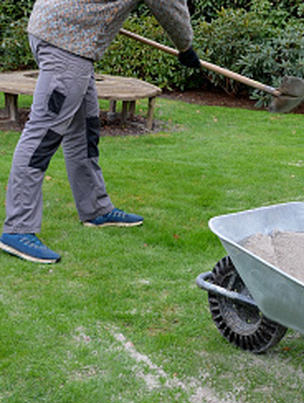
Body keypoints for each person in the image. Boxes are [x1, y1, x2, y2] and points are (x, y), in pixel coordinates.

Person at [0, 0, 201, 264]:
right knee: (43, 135)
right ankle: (18, 228)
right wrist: (185, 46)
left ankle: (95, 208)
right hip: (66, 44)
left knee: (85, 131)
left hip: (62, 36)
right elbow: (170, 8)